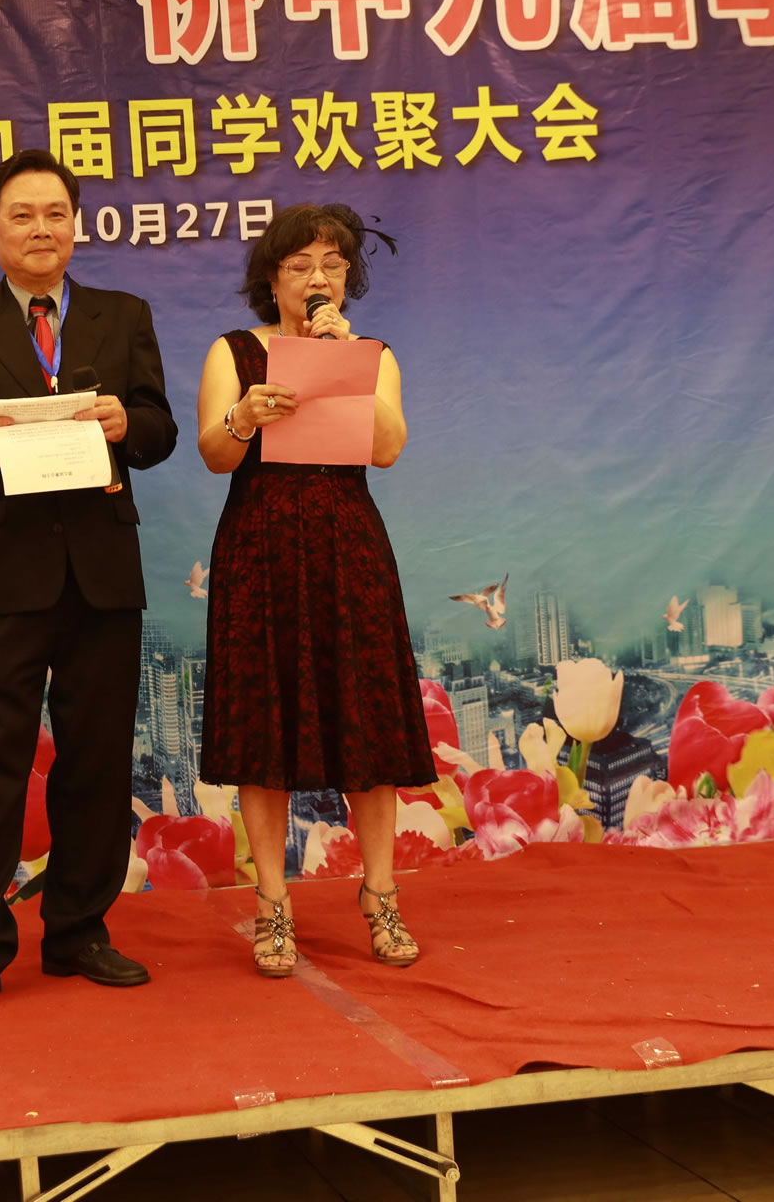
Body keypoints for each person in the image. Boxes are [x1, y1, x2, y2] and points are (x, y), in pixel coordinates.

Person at [0, 148, 178, 1012]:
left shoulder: (122, 316)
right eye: (21, 215)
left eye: (56, 213)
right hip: (3, 576)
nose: (41, 228)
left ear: (76, 225)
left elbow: (162, 430)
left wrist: (129, 421)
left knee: (96, 763)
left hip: (102, 575)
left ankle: (80, 932)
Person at [194, 203, 435, 978]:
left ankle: (381, 892)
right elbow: (213, 455)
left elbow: (389, 449)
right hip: (260, 547)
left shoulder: (370, 353)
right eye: (300, 265)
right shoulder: (234, 351)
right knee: (264, 731)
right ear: (272, 279)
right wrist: (242, 415)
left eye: (332, 264)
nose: (317, 278)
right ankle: (272, 901)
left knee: (367, 722)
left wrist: (347, 366)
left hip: (347, 548)